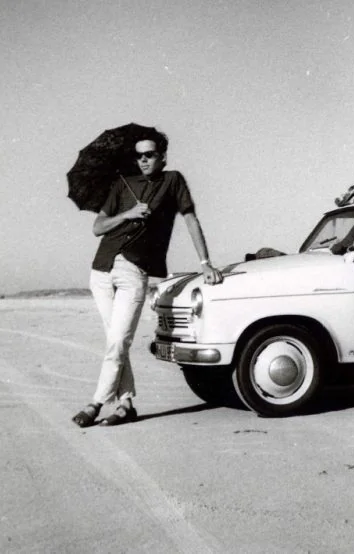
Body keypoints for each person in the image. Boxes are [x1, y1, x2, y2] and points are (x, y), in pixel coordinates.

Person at [72, 129, 223, 427]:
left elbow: (191, 218)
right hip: (101, 269)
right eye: (138, 155)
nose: (143, 160)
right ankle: (126, 404)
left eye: (149, 155)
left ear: (162, 156)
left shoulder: (173, 180)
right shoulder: (121, 184)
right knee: (116, 342)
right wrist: (127, 214)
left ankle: (96, 402)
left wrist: (205, 262)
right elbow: (98, 227)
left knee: (118, 340)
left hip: (134, 271)